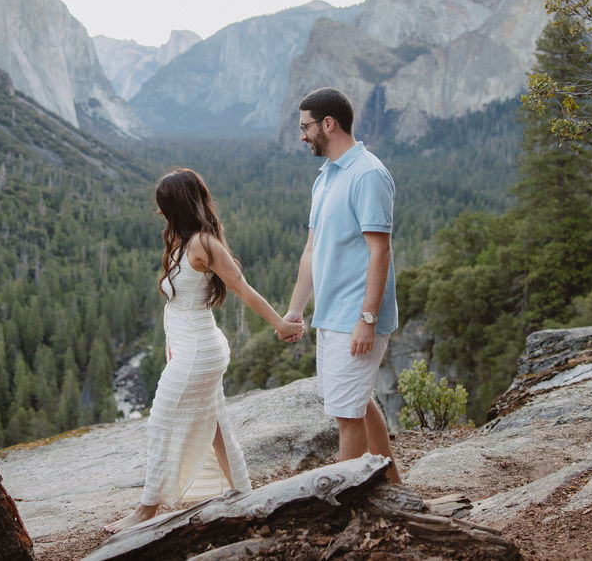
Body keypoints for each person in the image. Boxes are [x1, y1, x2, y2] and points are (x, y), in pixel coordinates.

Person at [106, 168, 305, 533]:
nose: (160, 211)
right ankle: (243, 493)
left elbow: (242, 287)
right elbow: (177, 305)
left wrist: (280, 324)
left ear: (178, 204)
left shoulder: (203, 243)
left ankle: (146, 511)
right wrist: (170, 346)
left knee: (162, 420)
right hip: (187, 349)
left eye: (164, 204)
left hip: (201, 350)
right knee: (216, 426)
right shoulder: (180, 242)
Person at [280, 87, 401, 484]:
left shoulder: (368, 174)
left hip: (356, 317)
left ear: (328, 124)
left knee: (346, 418)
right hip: (330, 316)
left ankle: (346, 506)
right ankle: (391, 485)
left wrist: (367, 318)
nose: (301, 136)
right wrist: (296, 311)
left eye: (305, 127)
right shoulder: (326, 178)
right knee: (358, 403)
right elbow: (311, 252)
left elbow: (379, 253)